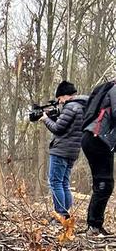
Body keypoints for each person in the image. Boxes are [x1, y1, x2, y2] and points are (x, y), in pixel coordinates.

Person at [41, 81, 87, 221]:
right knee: (64, 183)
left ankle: (61, 215)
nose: (59, 102)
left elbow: (58, 129)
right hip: (73, 150)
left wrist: (45, 119)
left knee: (55, 182)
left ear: (65, 96)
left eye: (59, 99)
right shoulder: (82, 107)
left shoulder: (70, 107)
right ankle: (66, 214)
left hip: (61, 150)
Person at [81, 80, 116, 236]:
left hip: (97, 137)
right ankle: (93, 226)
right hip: (97, 137)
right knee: (104, 182)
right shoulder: (115, 89)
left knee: (103, 182)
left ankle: (95, 224)